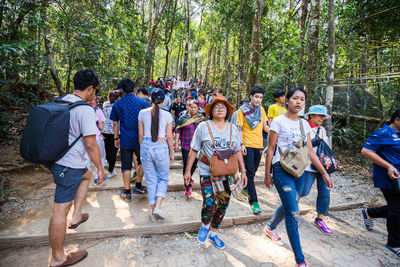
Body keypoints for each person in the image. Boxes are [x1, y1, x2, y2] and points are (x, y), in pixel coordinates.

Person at [264, 87, 334, 267]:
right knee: (293, 213)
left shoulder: (304, 124)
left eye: (302, 99)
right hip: (282, 169)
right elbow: (271, 149)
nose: (298, 102)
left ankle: (270, 227)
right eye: (295, 98)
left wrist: (325, 174)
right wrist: (267, 174)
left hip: (300, 171)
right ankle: (300, 261)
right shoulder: (278, 122)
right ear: (287, 101)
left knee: (292, 202)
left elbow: (310, 152)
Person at [47, 69, 104, 267]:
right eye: (94, 90)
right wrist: (100, 168)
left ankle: (77, 215)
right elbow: (91, 144)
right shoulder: (85, 109)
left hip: (58, 161)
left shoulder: (61, 101)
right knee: (60, 210)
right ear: (90, 88)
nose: (94, 94)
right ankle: (58, 257)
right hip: (68, 166)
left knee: (85, 176)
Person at [184, 96, 248, 249]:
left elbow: (238, 150)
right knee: (209, 203)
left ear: (227, 111)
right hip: (207, 171)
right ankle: (205, 225)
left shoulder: (233, 128)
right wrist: (188, 171)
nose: (220, 109)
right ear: (211, 111)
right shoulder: (203, 127)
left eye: (223, 107)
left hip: (228, 172)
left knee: (223, 204)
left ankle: (214, 232)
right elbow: (194, 150)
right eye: (216, 106)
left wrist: (243, 170)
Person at [361, 109, 400, 259]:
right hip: (388, 178)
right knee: (397, 209)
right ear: (397, 120)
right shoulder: (382, 133)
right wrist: (389, 166)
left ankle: (370, 213)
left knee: (396, 207)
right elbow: (366, 151)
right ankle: (394, 243)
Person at [138, 88, 174, 222]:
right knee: (163, 179)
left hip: (146, 147)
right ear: (163, 101)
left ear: (150, 99)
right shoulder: (167, 115)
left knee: (151, 180)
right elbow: (169, 137)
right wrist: (171, 152)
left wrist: (143, 150)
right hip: (161, 147)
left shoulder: (142, 113)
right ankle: (158, 206)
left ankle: (153, 212)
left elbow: (140, 135)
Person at [110, 78, 148, 201]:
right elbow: (146, 121)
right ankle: (138, 185)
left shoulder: (117, 104)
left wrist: (116, 137)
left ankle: (127, 192)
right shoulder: (142, 103)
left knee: (126, 165)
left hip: (125, 139)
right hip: (140, 139)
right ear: (134, 88)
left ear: (122, 89)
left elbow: (115, 123)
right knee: (141, 161)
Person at [236, 86, 269, 214]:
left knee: (252, 172)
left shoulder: (261, 110)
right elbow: (239, 128)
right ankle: (254, 202)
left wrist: (275, 133)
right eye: (256, 97)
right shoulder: (242, 110)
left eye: (260, 97)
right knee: (250, 173)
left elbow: (265, 126)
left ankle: (244, 184)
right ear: (251, 96)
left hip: (258, 145)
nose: (258, 100)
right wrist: (241, 144)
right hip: (247, 145)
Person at [175, 100, 205, 197]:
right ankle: (188, 186)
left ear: (198, 108)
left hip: (197, 146)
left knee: (193, 165)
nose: (193, 109)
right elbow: (178, 130)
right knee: (187, 164)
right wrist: (176, 143)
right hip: (186, 145)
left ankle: (189, 176)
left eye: (195, 107)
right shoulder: (183, 118)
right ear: (188, 107)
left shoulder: (200, 119)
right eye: (191, 107)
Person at [102, 90, 122, 180]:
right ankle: (110, 171)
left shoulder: (105, 104)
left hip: (105, 129)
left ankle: (107, 162)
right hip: (115, 130)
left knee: (107, 148)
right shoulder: (119, 106)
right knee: (113, 151)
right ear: (118, 98)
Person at [89, 96, 106, 184]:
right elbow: (101, 127)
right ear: (96, 102)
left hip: (83, 138)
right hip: (96, 136)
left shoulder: (82, 110)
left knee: (86, 158)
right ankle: (97, 177)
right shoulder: (98, 111)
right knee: (101, 156)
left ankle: (84, 179)